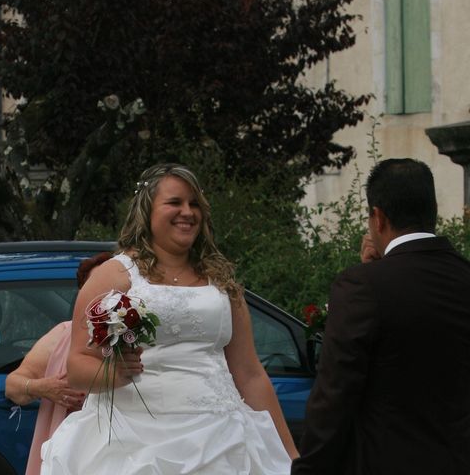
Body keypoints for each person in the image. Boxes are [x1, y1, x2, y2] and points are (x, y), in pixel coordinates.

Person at [41, 163, 298, 474]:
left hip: (221, 439)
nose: (187, 212)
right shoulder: (115, 275)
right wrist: (113, 372)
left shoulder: (221, 282)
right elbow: (78, 365)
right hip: (134, 442)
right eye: (175, 203)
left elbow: (250, 374)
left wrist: (292, 455)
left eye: (194, 204)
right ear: (147, 211)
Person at [291, 158, 470, 475]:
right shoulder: (462, 276)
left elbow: (335, 395)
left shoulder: (362, 286)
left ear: (378, 217)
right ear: (434, 211)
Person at [5, 252, 112, 475]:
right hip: (72, 450)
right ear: (83, 293)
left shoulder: (136, 336)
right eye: (95, 285)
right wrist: (42, 387)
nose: (103, 294)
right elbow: (13, 385)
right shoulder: (64, 334)